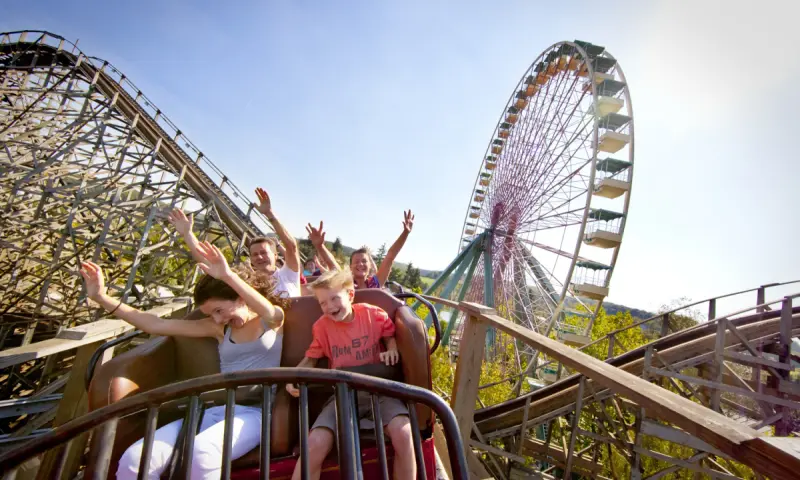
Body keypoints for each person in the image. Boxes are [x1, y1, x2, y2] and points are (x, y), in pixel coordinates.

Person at [80, 242, 288, 480]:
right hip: (213, 410)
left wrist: (228, 275)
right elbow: (154, 324)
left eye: (220, 310)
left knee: (202, 455)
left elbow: (267, 310)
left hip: (254, 413)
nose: (218, 319)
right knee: (133, 461)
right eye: (212, 315)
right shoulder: (218, 328)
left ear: (240, 297)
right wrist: (102, 297)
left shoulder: (272, 320)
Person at [285, 269, 415, 480]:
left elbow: (389, 335)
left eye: (334, 299)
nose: (329, 307)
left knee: (404, 433)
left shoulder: (373, 314)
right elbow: (312, 357)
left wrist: (391, 349)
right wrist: (294, 377)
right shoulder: (321, 327)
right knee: (314, 444)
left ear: (350, 295)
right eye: (323, 303)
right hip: (342, 394)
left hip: (377, 390)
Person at [168, 187, 301, 297]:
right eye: (254, 254)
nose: (259, 257)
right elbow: (207, 261)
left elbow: (291, 247)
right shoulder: (247, 281)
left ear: (276, 256)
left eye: (263, 252)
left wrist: (270, 214)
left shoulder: (288, 274)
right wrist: (187, 234)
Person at [350, 210, 414, 289]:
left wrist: (405, 233)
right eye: (356, 262)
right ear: (350, 267)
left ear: (370, 266)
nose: (360, 264)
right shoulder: (345, 286)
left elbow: (390, 256)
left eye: (364, 261)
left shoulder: (374, 283)